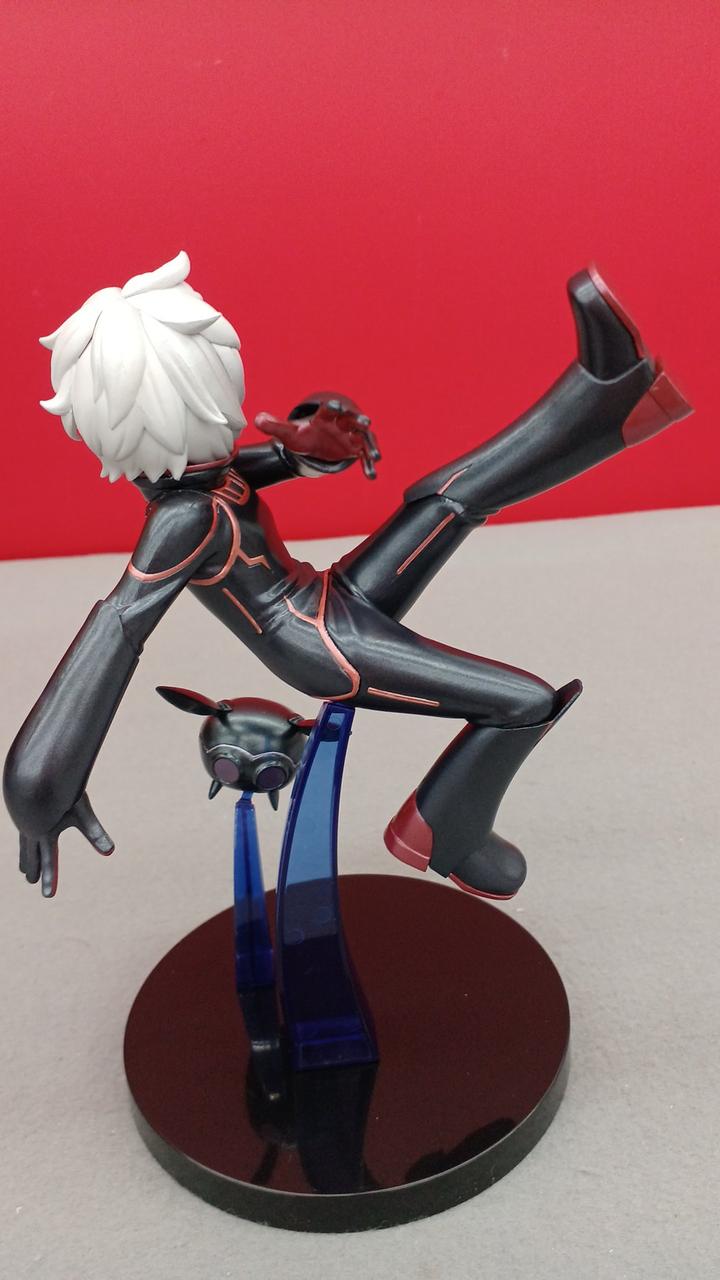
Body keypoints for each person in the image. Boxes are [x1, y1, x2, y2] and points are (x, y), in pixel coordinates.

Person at [3, 252, 692, 900]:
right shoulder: (182, 519)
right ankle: (445, 833)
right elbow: (115, 632)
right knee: (525, 702)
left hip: (333, 596)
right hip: (318, 644)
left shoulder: (204, 476)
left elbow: (288, 460)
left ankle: (607, 398)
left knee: (445, 495)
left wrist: (313, 448)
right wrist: (38, 787)